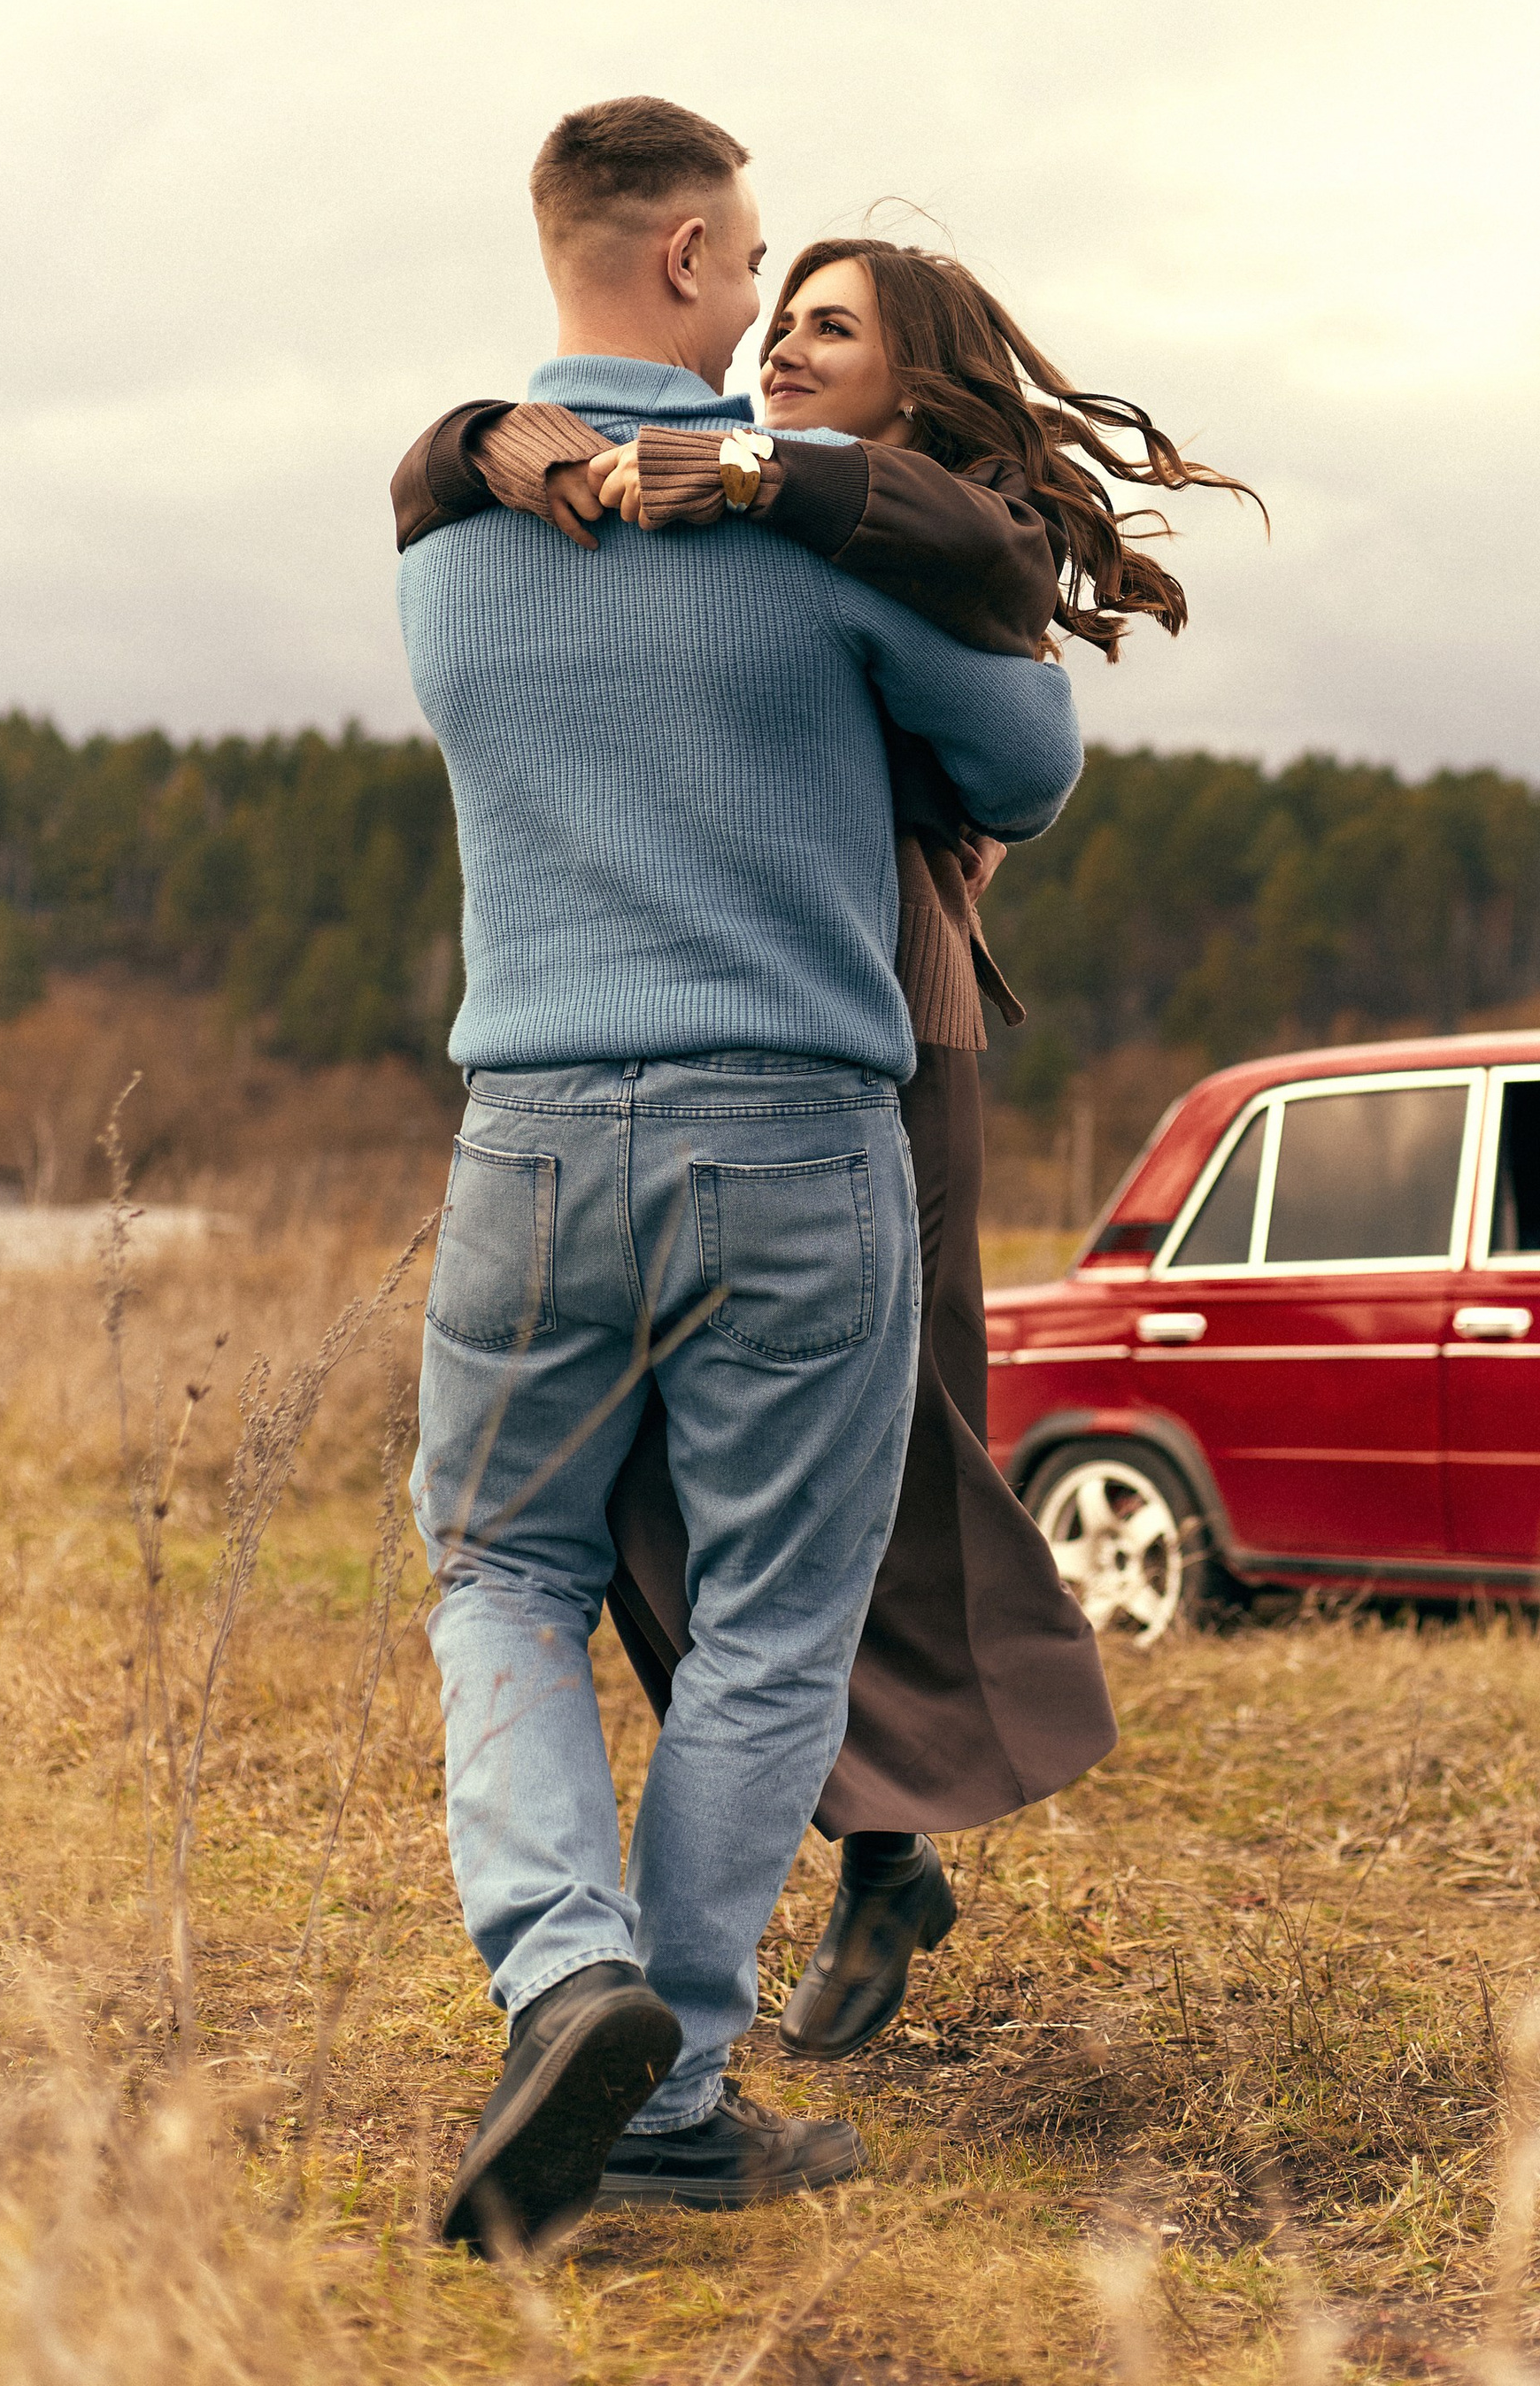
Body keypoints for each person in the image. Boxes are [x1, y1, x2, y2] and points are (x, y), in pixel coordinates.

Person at [396, 233, 1259, 2064]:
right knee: (708, 1509)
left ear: (911, 379)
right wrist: (495, 436)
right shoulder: (751, 524)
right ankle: (771, 1923)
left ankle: (868, 1852)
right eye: (775, 320)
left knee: (880, 1475)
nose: (781, 351)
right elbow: (454, 472)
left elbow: (1012, 728)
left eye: (830, 331)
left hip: (877, 1028)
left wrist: (761, 474)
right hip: (750, 1063)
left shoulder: (906, 531)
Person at [395, 97, 1082, 2254]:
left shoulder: (445, 549)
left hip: (525, 1135)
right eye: (758, 264)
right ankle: (674, 2083)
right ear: (691, 258)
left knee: (502, 1573)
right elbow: (1026, 769)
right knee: (777, 1625)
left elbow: (447, 482)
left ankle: (558, 1967)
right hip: (792, 1138)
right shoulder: (800, 544)